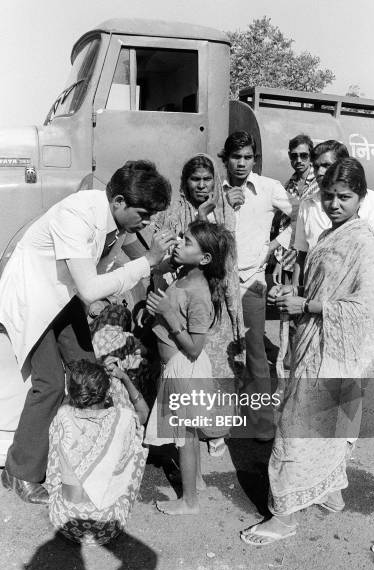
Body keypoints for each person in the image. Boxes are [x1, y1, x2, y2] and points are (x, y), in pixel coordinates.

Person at [0, 160, 175, 504]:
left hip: (61, 295)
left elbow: (98, 271)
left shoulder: (116, 222)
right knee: (49, 382)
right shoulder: (77, 214)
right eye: (144, 213)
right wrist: (148, 262)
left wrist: (157, 263)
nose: (148, 222)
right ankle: (19, 472)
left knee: (87, 371)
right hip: (34, 298)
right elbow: (91, 287)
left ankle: (74, 457)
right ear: (119, 201)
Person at [241, 158, 374, 545]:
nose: (335, 204)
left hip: (335, 350)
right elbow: (320, 289)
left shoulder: (363, 243)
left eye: (345, 197)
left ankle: (283, 516)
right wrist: (295, 295)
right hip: (315, 341)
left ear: (361, 198)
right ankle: (327, 489)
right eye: (330, 196)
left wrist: (308, 306)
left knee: (297, 427)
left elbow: (366, 309)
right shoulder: (328, 236)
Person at [151, 153, 245, 456]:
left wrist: (207, 216)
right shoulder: (171, 211)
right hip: (180, 296)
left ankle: (215, 430)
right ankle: (188, 427)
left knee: (215, 367)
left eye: (207, 179)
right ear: (185, 182)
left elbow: (223, 254)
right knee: (186, 365)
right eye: (195, 179)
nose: (201, 185)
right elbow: (165, 246)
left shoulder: (225, 207)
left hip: (213, 295)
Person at [144, 220, 232, 515]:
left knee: (184, 435)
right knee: (188, 432)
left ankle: (189, 501)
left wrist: (168, 315)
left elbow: (194, 348)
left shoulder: (199, 292)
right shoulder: (182, 275)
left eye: (188, 242)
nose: (179, 242)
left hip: (183, 367)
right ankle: (197, 481)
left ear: (205, 259)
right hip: (174, 366)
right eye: (182, 237)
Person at [219, 131, 292, 439]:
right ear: (226, 159)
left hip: (252, 281)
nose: (242, 163)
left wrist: (276, 244)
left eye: (248, 157)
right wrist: (222, 205)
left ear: (255, 159)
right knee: (219, 351)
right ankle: (220, 421)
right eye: (236, 157)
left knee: (255, 352)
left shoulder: (268, 188)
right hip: (219, 281)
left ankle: (262, 422)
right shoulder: (214, 189)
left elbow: (301, 216)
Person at [45, 358, 148, 545]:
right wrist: (123, 377)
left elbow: (53, 471)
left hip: (63, 520)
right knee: (136, 444)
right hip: (107, 526)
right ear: (107, 392)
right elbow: (144, 411)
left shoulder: (63, 417)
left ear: (73, 392)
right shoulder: (122, 419)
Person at [293, 140, 374, 308]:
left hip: (351, 301)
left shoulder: (369, 199)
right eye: (316, 167)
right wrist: (295, 292)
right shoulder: (307, 204)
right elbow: (302, 255)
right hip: (315, 297)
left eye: (326, 165)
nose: (320, 172)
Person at [271, 134, 319, 377]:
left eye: (304, 155)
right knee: (289, 309)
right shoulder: (288, 185)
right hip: (292, 258)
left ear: (311, 156)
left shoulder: (320, 183)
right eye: (294, 156)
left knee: (311, 308)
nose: (298, 160)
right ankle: (290, 356)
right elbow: (284, 226)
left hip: (315, 258)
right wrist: (279, 260)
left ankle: (307, 356)